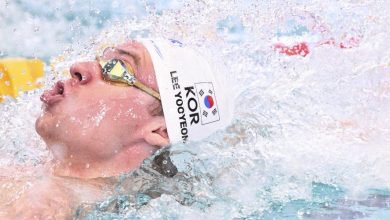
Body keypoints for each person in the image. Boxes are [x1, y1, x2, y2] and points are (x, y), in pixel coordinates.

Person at [2, 38, 233, 219]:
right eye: (100, 59)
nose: (79, 67)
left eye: (117, 70)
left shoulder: (38, 205)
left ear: (160, 132)